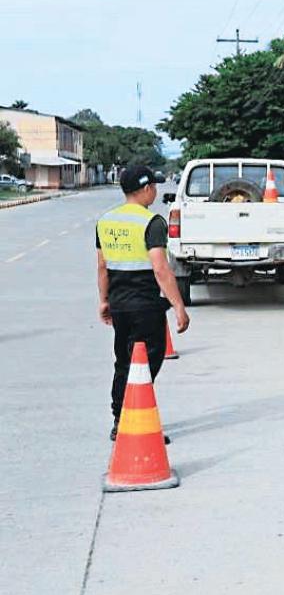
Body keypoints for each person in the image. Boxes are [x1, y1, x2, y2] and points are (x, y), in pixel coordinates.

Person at [97, 165, 190, 441]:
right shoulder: (152, 222)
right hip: (146, 306)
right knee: (147, 363)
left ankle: (119, 419)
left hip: (119, 304)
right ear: (147, 188)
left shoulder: (106, 221)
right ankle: (135, 419)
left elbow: (102, 267)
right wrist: (179, 306)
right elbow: (161, 269)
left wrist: (104, 301)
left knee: (123, 361)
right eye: (155, 187)